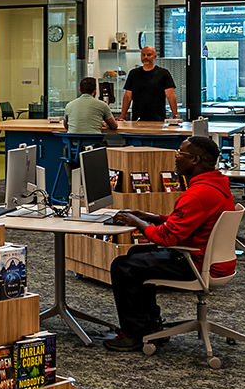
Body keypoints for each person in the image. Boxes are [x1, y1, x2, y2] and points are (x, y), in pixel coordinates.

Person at [99, 135, 237, 352]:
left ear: (195, 160)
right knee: (136, 252)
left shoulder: (198, 194)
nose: (176, 158)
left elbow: (167, 238)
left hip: (197, 264)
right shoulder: (216, 183)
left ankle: (136, 334)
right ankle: (150, 326)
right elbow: (189, 221)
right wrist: (152, 217)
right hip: (212, 259)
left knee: (123, 266)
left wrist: (137, 222)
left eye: (180, 154)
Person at [121, 46, 178, 122]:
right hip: (137, 119)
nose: (146, 57)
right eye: (143, 55)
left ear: (155, 56)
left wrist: (175, 116)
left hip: (158, 119)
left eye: (149, 55)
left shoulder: (163, 74)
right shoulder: (133, 74)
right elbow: (128, 97)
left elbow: (171, 96)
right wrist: (122, 116)